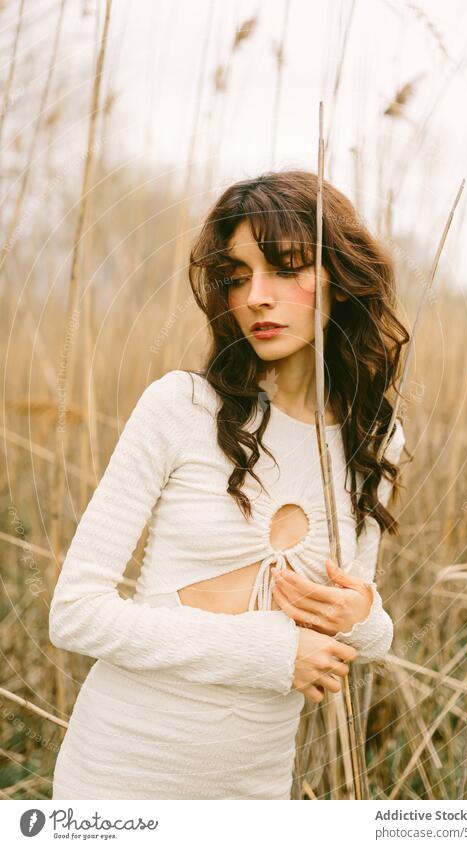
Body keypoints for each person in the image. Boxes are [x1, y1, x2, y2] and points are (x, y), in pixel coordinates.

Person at [49, 169, 409, 800]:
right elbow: (76, 614)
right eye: (238, 277)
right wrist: (268, 654)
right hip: (120, 777)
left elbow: (356, 630)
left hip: (253, 788)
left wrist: (366, 618)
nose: (257, 298)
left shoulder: (373, 438)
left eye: (287, 268)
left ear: (342, 280)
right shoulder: (181, 407)